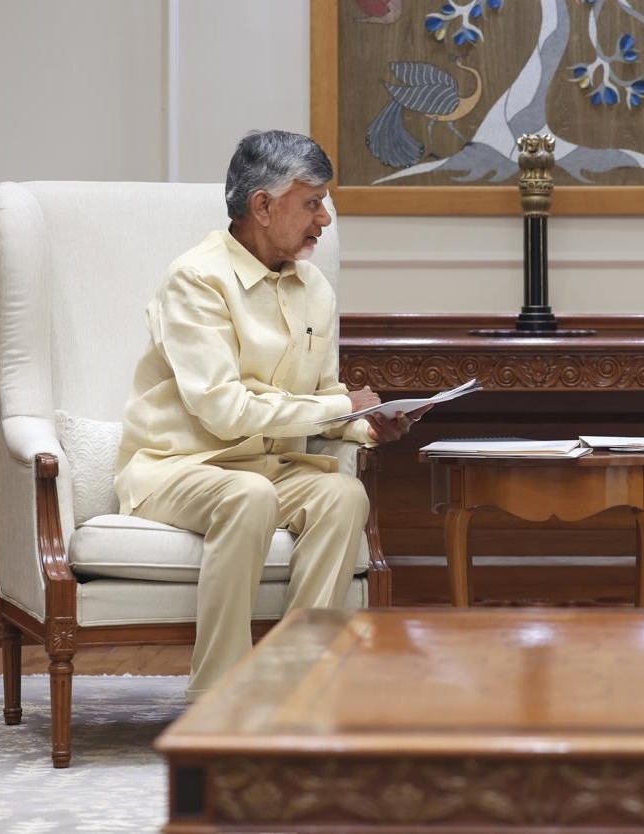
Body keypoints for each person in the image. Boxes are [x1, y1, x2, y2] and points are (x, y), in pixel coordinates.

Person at [115, 130, 421, 702]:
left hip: (268, 467)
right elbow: (224, 411)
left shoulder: (315, 289)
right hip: (178, 467)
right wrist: (341, 406)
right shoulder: (197, 279)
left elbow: (321, 398)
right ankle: (218, 695)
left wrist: (369, 425)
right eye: (312, 203)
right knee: (248, 495)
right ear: (263, 205)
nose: (324, 219)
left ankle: (295, 684)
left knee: (343, 496)